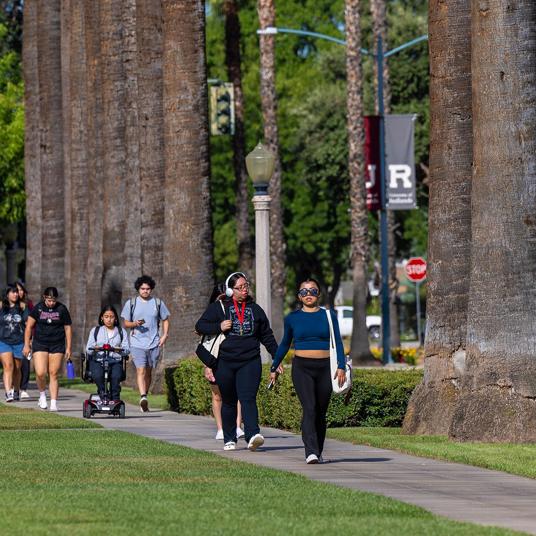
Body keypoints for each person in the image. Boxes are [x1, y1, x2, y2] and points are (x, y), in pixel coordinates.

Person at [195, 272, 279, 452]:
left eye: (246, 286)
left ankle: (253, 435)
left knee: (248, 398)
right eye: (239, 288)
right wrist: (219, 326)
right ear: (230, 291)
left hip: (250, 361)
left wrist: (276, 357)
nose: (244, 290)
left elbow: (267, 336)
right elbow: (200, 326)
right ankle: (229, 438)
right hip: (224, 362)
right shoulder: (218, 308)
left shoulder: (255, 309)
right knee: (229, 401)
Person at [270, 278, 346, 464]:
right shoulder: (292, 318)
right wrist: (274, 366)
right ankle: (310, 451)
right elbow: (285, 344)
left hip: (325, 368)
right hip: (302, 368)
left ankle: (318, 451)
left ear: (318, 294)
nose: (308, 294)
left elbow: (338, 341)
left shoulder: (328, 316)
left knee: (320, 412)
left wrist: (341, 366)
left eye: (312, 291)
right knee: (310, 408)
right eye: (304, 292)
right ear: (299, 296)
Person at [200, 283, 244, 441]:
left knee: (237, 394)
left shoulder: (240, 310)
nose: (223, 301)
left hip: (234, 358)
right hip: (215, 359)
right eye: (220, 298)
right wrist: (207, 366)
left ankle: (238, 427)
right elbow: (204, 338)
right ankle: (220, 429)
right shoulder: (212, 312)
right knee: (217, 395)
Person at [121, 275, 170, 413]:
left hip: (154, 343)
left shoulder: (158, 303)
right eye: (142, 289)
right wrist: (135, 323)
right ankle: (142, 396)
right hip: (137, 343)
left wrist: (164, 335)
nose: (145, 291)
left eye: (148, 289)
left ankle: (145, 397)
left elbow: (165, 319)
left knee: (148, 372)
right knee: (140, 370)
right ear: (138, 289)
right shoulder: (131, 303)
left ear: (151, 289)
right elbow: (125, 323)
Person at [22, 287, 72, 411]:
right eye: (49, 300)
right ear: (44, 297)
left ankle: (54, 403)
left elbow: (68, 328)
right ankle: (42, 396)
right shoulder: (38, 308)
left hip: (57, 344)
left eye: (53, 300)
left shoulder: (62, 309)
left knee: (54, 373)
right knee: (40, 372)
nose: (51, 303)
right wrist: (27, 344)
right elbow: (29, 327)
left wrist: (69, 347)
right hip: (40, 343)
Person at [86, 306, 129, 402]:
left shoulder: (121, 332)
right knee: (97, 375)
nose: (109, 319)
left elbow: (127, 349)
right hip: (98, 361)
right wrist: (95, 348)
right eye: (106, 316)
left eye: (111, 317)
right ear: (102, 317)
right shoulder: (95, 331)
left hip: (115, 361)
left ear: (115, 318)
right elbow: (88, 349)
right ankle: (102, 392)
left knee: (116, 376)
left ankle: (115, 398)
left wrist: (119, 350)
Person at [0, 284, 29, 402]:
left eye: (17, 292)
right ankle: (8, 393)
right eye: (13, 292)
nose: (16, 294)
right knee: (8, 366)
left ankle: (16, 390)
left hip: (19, 342)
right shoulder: (1, 306)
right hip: (3, 341)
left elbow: (28, 326)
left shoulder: (22, 307)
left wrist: (28, 343)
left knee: (17, 368)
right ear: (7, 294)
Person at [16, 282, 34, 399]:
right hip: (11, 339)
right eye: (17, 290)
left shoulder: (28, 304)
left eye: (21, 290)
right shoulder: (8, 305)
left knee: (25, 365)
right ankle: (14, 387)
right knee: (14, 365)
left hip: (25, 339)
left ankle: (23, 388)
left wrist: (31, 339)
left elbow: (32, 323)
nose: (20, 292)